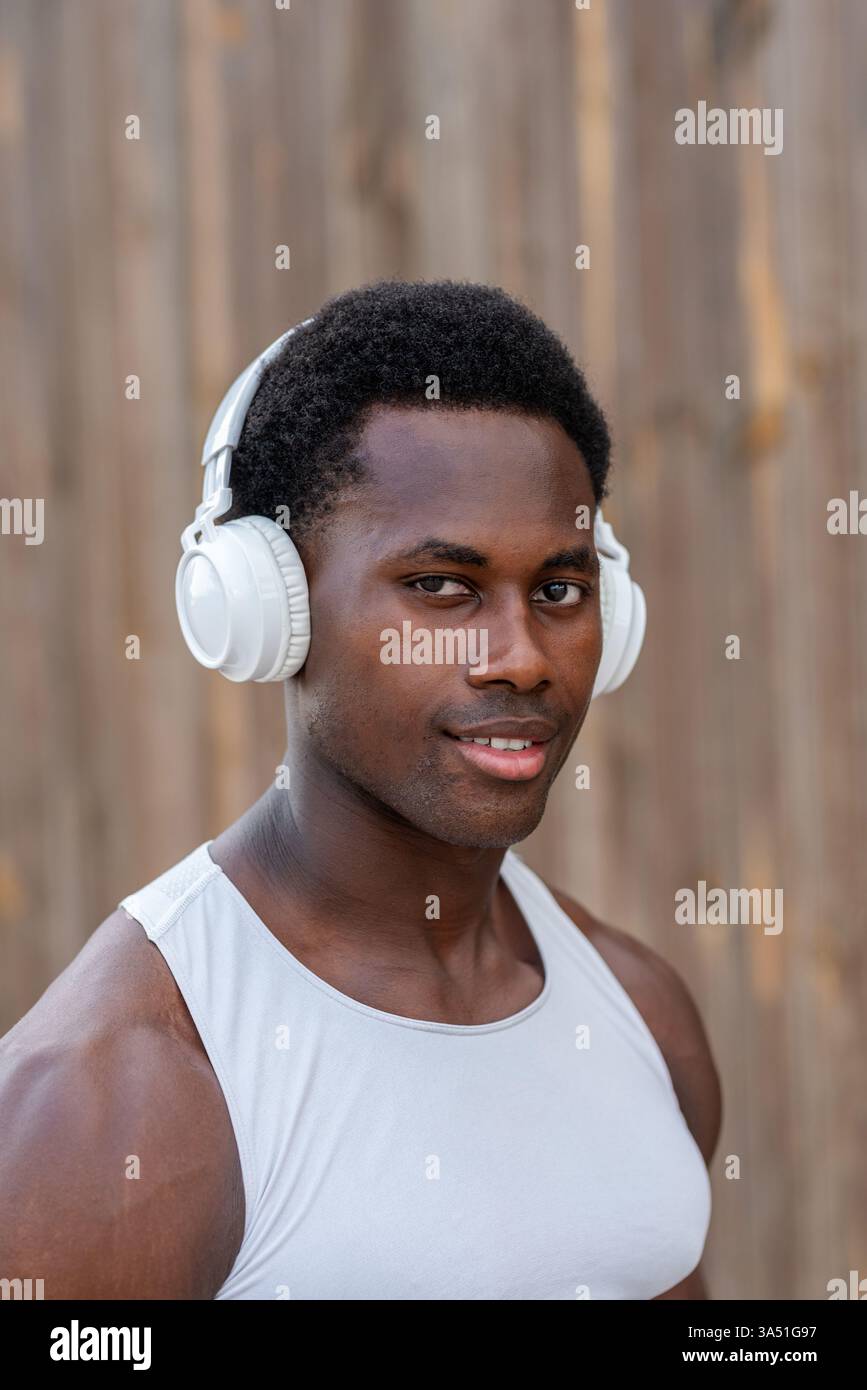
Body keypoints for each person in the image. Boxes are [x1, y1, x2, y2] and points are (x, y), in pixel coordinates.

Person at [0, 279, 721, 1299]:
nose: (520, 657)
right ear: (267, 608)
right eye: (441, 587)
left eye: (559, 590)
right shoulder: (109, 1101)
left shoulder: (643, 1012)